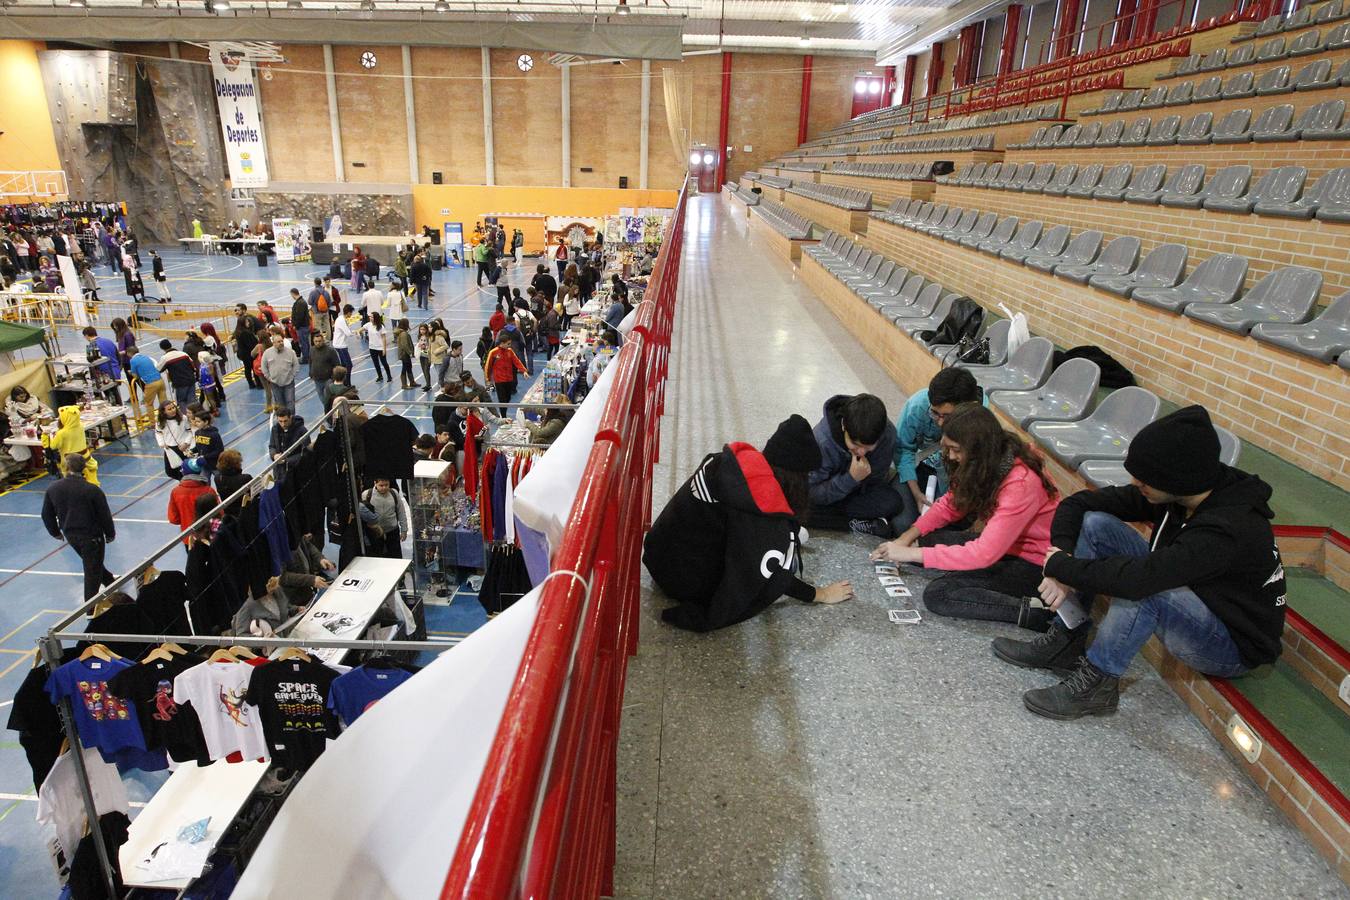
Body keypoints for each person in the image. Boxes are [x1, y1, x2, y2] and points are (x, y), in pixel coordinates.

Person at [992, 406, 1289, 720]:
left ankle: (1098, 685)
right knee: (1095, 524)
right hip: (1195, 596)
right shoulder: (1180, 494)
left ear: (1178, 478)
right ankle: (1066, 639)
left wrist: (1060, 568)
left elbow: (1139, 580)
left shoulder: (1228, 527)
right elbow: (1077, 504)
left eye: (1146, 476)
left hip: (1229, 645)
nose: (1136, 481)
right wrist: (1061, 558)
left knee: (1148, 589)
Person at [644, 415, 855, 632]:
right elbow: (769, 569)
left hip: (657, 553)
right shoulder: (758, 512)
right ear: (797, 479)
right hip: (680, 581)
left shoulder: (734, 464)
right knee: (776, 563)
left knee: (792, 535)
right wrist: (821, 594)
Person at [871, 404, 1060, 630]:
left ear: (978, 448)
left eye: (956, 449)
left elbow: (983, 554)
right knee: (923, 542)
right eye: (948, 448)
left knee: (939, 594)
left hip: (1033, 566)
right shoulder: (989, 461)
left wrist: (910, 552)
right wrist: (906, 538)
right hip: (1007, 549)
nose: (951, 456)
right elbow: (951, 505)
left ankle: (1035, 615)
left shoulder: (1021, 483)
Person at [892, 368, 987, 533]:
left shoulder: (981, 419)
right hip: (920, 468)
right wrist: (915, 492)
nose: (941, 423)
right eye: (935, 414)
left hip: (958, 478)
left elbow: (978, 469)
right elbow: (904, 450)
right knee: (903, 524)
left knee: (949, 526)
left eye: (948, 416)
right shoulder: (917, 406)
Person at [805, 393, 903, 537]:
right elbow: (811, 492)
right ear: (844, 425)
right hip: (827, 489)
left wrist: (861, 480)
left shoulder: (888, 435)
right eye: (855, 444)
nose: (861, 452)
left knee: (893, 501)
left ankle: (851, 519)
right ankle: (853, 523)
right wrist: (850, 479)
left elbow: (876, 481)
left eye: (868, 447)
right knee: (799, 507)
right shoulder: (822, 440)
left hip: (854, 493)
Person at [41, 454, 116, 600]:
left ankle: (111, 583)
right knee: (92, 573)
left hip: (71, 536)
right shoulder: (92, 490)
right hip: (92, 537)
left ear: (66, 467)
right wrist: (110, 533)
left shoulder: (53, 488)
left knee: (94, 563)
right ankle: (90, 610)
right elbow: (104, 515)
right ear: (84, 468)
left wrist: (55, 532)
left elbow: (46, 514)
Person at [360, 478, 409, 558]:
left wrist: (404, 530)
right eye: (381, 485)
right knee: (377, 557)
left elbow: (401, 512)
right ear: (375, 483)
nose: (384, 488)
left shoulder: (394, 493)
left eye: (386, 485)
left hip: (392, 531)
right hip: (375, 533)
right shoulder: (366, 495)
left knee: (395, 557)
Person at [5, 386, 52, 466]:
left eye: (25, 395)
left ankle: (49, 459)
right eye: (21, 397)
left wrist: (42, 413)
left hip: (40, 424)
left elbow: (47, 410)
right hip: (25, 430)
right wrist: (30, 418)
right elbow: (18, 421)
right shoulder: (12, 406)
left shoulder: (33, 400)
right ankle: (40, 463)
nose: (24, 398)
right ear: (15, 397)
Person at [166, 470, 217, 542]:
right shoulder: (209, 490)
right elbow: (219, 513)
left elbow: (174, 519)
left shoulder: (176, 492)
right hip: (209, 536)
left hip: (189, 538)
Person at [484, 333, 527, 416]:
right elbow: (488, 366)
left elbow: (516, 361)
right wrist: (488, 379)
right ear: (502, 343)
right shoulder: (493, 353)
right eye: (508, 344)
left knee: (508, 398)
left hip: (509, 379)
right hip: (499, 380)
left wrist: (524, 371)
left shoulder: (510, 351)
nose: (509, 345)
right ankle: (503, 416)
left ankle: (504, 412)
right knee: (502, 399)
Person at [153, 400, 192, 480]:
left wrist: (186, 443)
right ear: (163, 412)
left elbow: (190, 432)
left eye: (173, 407)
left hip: (183, 448)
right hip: (170, 449)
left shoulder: (183, 418)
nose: (173, 410)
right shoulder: (160, 422)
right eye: (169, 409)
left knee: (187, 470)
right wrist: (162, 443)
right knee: (170, 471)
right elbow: (158, 433)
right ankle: (183, 482)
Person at [261, 332, 299, 412]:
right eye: (278, 342)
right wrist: (269, 377)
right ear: (273, 343)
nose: (281, 343)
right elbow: (264, 367)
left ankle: (291, 420)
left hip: (289, 383)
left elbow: (296, 365)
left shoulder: (290, 352)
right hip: (275, 384)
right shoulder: (267, 353)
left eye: (282, 341)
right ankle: (282, 421)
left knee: (290, 403)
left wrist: (292, 376)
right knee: (280, 404)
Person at [269, 407, 309, 480]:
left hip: (297, 471)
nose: (283, 424)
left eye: (285, 421)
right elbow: (272, 446)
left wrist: (287, 461)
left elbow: (306, 452)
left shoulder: (301, 430)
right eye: (280, 421)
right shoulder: (275, 429)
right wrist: (274, 455)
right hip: (280, 472)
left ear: (290, 417)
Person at [184, 404, 223, 478]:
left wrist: (205, 456)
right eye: (195, 421)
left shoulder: (214, 434)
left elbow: (219, 450)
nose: (196, 423)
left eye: (198, 422)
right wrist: (192, 451)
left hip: (215, 465)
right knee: (203, 482)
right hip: (203, 464)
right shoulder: (197, 433)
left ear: (206, 422)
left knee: (220, 481)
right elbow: (198, 446)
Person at [157, 339, 197, 408]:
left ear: (162, 348)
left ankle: (186, 418)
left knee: (182, 401)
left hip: (180, 383)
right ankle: (195, 416)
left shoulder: (165, 358)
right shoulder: (183, 354)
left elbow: (158, 369)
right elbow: (193, 367)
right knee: (192, 401)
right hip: (191, 380)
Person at [309, 330, 340, 410]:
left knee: (328, 399)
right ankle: (329, 411)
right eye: (316, 341)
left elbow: (337, 365)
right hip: (317, 380)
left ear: (323, 340)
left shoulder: (330, 351)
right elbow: (310, 362)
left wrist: (333, 378)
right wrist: (310, 372)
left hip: (328, 380)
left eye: (319, 341)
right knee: (322, 399)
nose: (318, 343)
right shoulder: (312, 350)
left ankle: (331, 411)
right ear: (313, 341)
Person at [233, 305, 261, 389]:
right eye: (247, 322)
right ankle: (258, 384)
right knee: (253, 367)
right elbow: (251, 344)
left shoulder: (238, 331)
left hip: (243, 353)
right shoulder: (245, 333)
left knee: (247, 369)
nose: (248, 323)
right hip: (249, 354)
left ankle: (251, 384)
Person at [364, 311, 394, 383]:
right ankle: (380, 376)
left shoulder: (381, 327)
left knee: (384, 363)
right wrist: (357, 332)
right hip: (372, 348)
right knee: (376, 363)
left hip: (380, 348)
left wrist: (384, 349)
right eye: (370, 317)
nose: (370, 318)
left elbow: (384, 338)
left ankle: (389, 376)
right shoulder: (368, 325)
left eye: (371, 317)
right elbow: (361, 329)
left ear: (375, 318)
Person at [289, 288, 311, 364]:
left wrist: (296, 325)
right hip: (303, 326)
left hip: (302, 327)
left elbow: (299, 316)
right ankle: (307, 356)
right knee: (305, 342)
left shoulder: (300, 303)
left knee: (303, 343)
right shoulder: (301, 302)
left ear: (293, 294)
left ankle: (306, 358)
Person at [394, 318, 416, 391]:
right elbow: (405, 345)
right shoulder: (403, 334)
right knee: (405, 368)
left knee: (409, 367)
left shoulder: (403, 332)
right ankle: (404, 384)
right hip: (404, 354)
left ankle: (412, 382)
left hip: (404, 354)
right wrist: (410, 352)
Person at [333, 303, 356, 370]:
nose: (351, 315)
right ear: (348, 312)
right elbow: (348, 333)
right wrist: (356, 332)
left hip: (339, 344)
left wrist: (353, 332)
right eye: (351, 313)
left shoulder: (341, 318)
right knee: (349, 365)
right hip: (340, 345)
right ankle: (347, 380)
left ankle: (343, 379)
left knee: (344, 364)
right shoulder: (342, 320)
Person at [196, 351, 219, 416]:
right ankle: (215, 408)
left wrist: (201, 384)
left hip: (207, 385)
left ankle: (215, 410)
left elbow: (202, 377)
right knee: (213, 397)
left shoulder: (202, 367)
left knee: (210, 398)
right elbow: (212, 374)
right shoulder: (210, 364)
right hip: (212, 383)